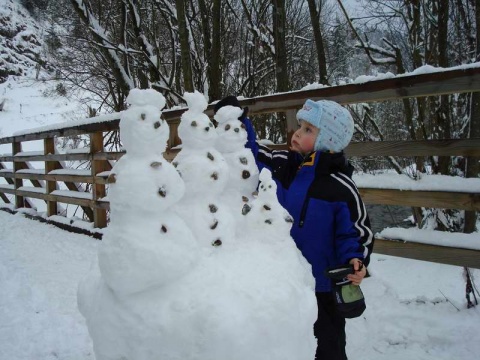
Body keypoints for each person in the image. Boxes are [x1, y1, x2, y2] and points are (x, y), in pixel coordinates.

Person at [214, 96, 374, 360]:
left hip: (324, 286)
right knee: (289, 344)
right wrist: (237, 119)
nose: (297, 134)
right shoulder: (284, 166)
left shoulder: (341, 187)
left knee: (328, 348)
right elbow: (251, 154)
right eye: (300, 127)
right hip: (286, 279)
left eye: (308, 130)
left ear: (329, 142)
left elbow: (355, 232)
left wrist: (356, 260)